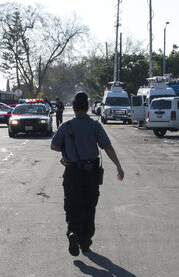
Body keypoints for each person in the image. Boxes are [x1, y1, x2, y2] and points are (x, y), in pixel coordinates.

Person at [50, 92, 124, 257]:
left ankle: (73, 233)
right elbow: (107, 147)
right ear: (88, 107)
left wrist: (67, 149)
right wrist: (118, 166)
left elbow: (53, 146)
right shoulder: (95, 126)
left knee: (72, 204)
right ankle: (85, 242)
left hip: (71, 172)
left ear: (74, 108)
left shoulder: (66, 126)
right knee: (89, 206)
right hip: (91, 173)